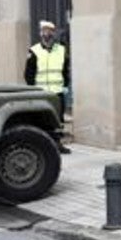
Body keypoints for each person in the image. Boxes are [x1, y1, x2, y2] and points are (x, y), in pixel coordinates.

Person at [24, 20, 72, 154]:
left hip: (57, 92)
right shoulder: (34, 51)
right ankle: (41, 145)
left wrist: (65, 85)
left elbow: (65, 70)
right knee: (40, 119)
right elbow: (28, 74)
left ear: (54, 33)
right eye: (44, 31)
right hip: (41, 93)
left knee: (59, 120)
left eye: (50, 31)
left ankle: (58, 144)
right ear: (40, 33)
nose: (47, 34)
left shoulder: (61, 50)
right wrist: (32, 90)